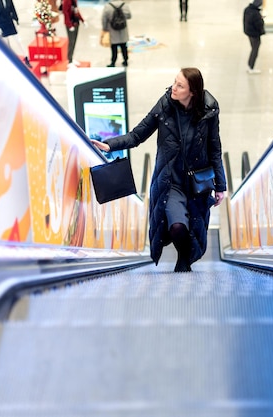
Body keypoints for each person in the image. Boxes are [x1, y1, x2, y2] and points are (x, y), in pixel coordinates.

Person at [91, 68, 227, 272]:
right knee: (177, 226)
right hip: (170, 181)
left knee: (195, 226)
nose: (173, 87)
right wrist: (110, 145)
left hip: (198, 182)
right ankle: (183, 256)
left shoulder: (209, 110)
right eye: (174, 82)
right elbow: (138, 135)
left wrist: (221, 186)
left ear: (193, 92)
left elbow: (215, 148)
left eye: (180, 85)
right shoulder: (165, 106)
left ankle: (185, 261)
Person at [0, 0, 32, 67]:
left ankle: (26, 58)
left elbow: (12, 8)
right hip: (0, 24)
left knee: (18, 41)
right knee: (6, 43)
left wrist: (16, 19)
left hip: (9, 21)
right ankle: (9, 61)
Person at [101, 0, 131, 67]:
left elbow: (104, 19)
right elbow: (129, 16)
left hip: (112, 30)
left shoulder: (108, 6)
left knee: (114, 47)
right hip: (123, 30)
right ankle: (125, 60)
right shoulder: (124, 5)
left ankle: (113, 62)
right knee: (124, 46)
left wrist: (105, 28)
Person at [243, 0, 265, 75]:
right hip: (255, 34)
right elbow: (259, 24)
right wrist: (261, 19)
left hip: (249, 33)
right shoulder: (256, 13)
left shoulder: (247, 10)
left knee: (253, 49)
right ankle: (251, 67)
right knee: (255, 50)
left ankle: (249, 65)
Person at [62, 0, 85, 67]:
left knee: (74, 41)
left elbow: (77, 11)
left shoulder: (74, 1)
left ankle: (71, 59)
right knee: (71, 42)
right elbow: (65, 13)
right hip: (70, 24)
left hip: (76, 23)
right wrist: (69, 25)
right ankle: (69, 60)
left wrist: (82, 20)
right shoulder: (66, 1)